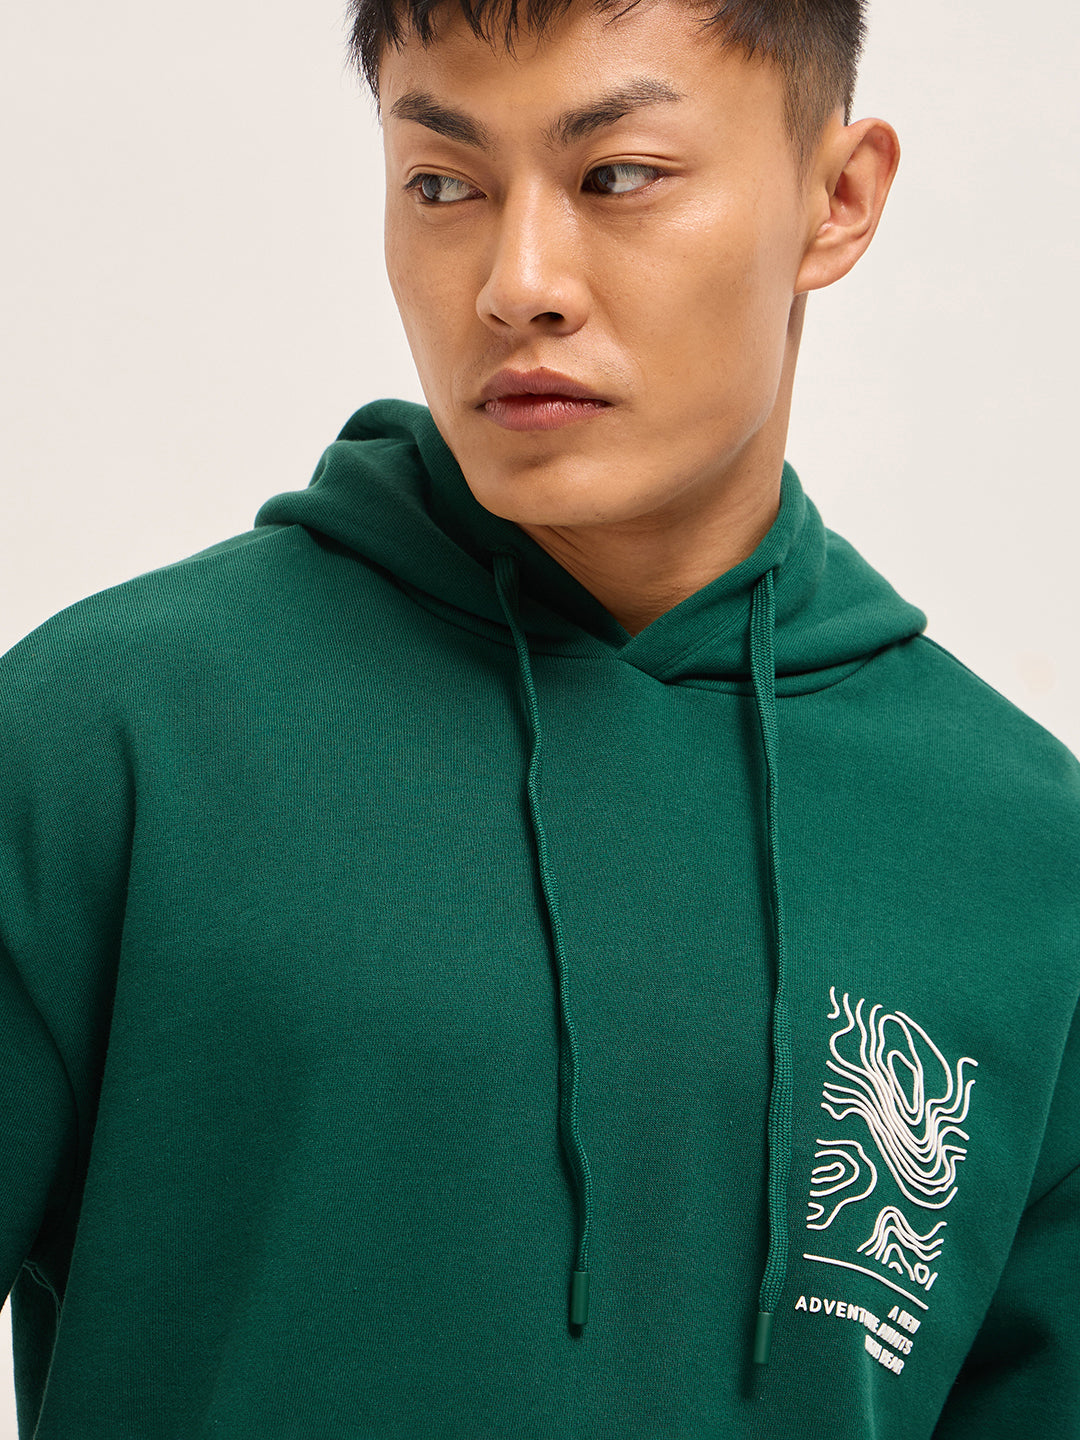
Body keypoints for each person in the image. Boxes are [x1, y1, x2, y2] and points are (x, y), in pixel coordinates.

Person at [1, 0, 1076, 1433]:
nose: (518, 285)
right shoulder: (105, 736)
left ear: (839, 198)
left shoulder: (1024, 855)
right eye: (444, 185)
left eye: (616, 175)